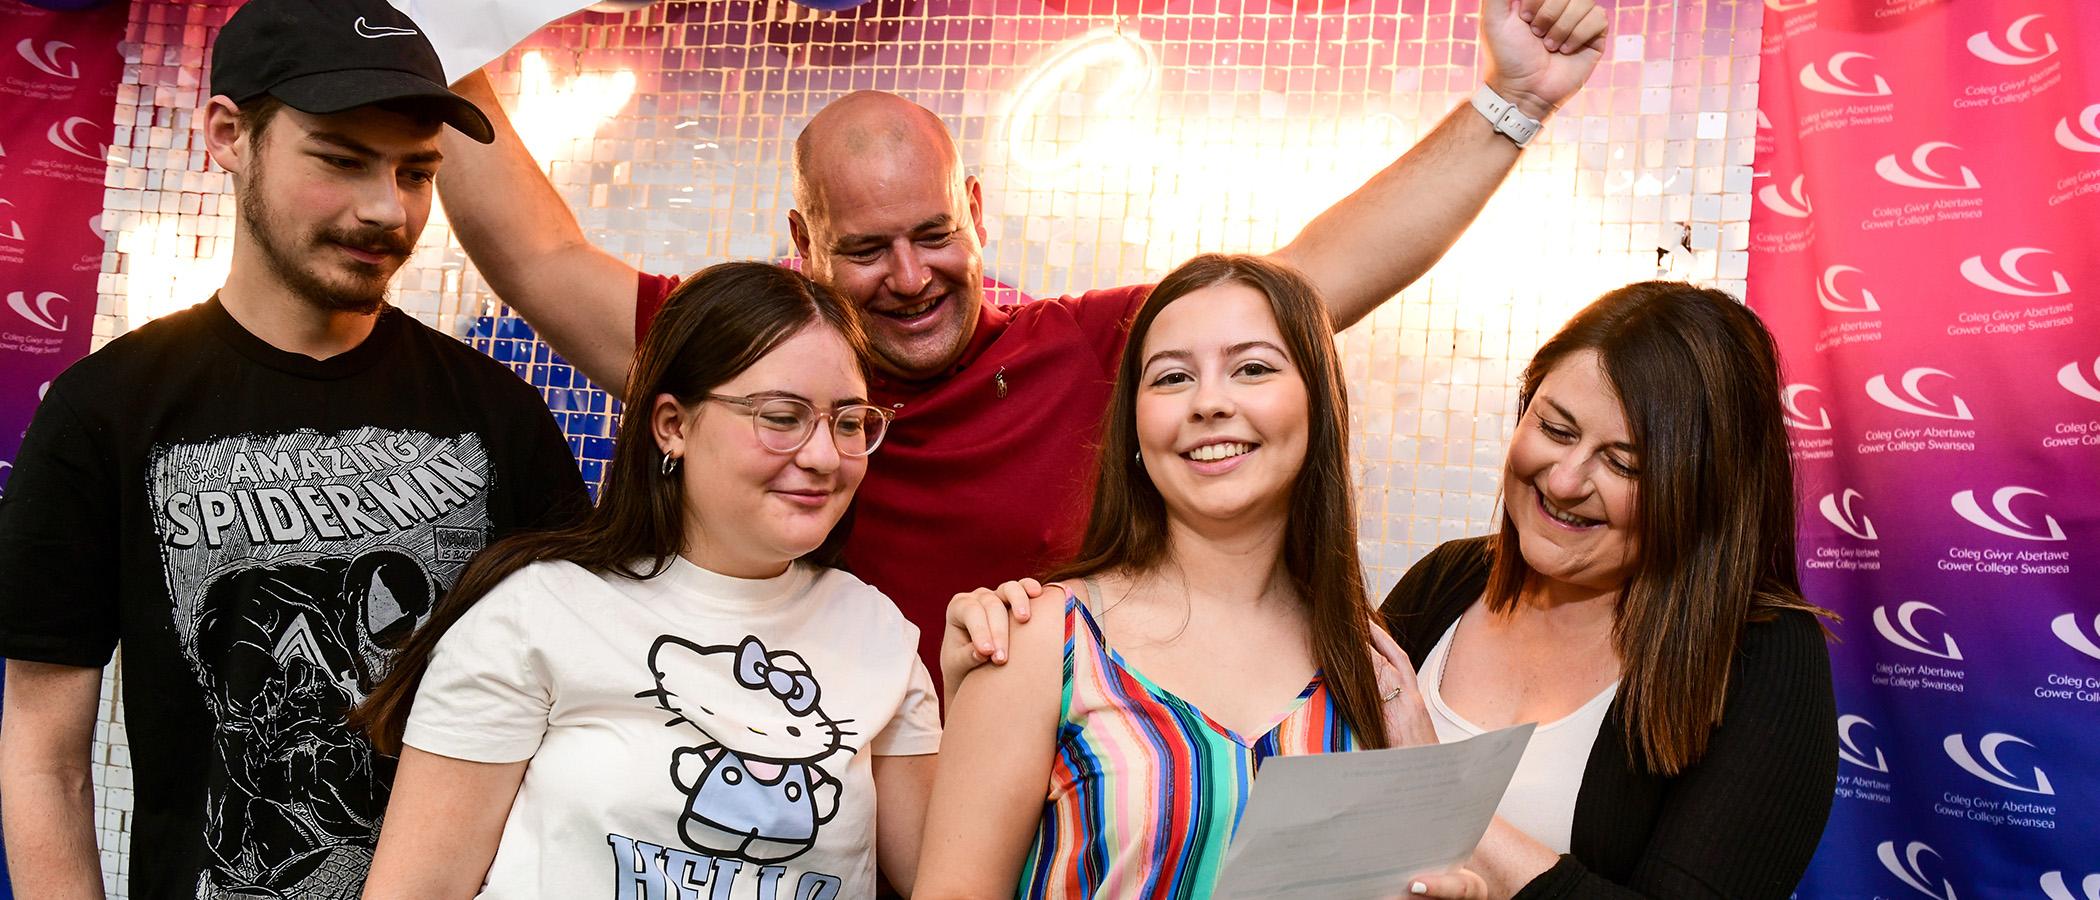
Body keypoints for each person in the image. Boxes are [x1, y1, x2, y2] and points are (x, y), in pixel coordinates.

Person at [434, 0, 1612, 670]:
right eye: (864, 247)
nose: (908, 277)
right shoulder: (745, 360)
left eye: (935, 233)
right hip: (811, 824)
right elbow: (539, 258)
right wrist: (432, 44)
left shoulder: (1094, 350)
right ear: (803, 239)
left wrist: (1516, 101)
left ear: (979, 213)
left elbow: (1315, 278)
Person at [0, 1, 590, 897]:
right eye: (341, 160)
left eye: (416, 171)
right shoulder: (106, 412)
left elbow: (574, 719)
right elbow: (46, 753)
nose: (385, 209)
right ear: (229, 134)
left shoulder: (498, 416)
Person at [357, 262, 941, 899]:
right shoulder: (540, 610)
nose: (824, 455)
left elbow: (952, 887)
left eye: (849, 421)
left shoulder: (877, 632)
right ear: (673, 425)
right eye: (781, 416)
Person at [913, 254, 1481, 899]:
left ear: (1319, 405)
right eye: (1173, 377)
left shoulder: (1368, 664)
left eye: (1253, 368)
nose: (1210, 402)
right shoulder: (1038, 638)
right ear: (1133, 422)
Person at [1381, 281, 1837, 898]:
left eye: (1624, 463)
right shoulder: (1446, 581)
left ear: (1707, 491)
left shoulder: (1762, 655)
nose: (1565, 481)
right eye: (1557, 429)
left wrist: (1432, 787)